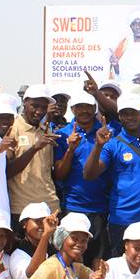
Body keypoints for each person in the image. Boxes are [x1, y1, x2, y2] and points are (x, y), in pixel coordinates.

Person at [82, 94, 140, 258]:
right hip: (122, 220)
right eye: (125, 113)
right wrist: (98, 146)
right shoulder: (113, 144)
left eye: (133, 113)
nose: (129, 117)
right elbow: (89, 174)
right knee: (121, 268)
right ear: (119, 116)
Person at [55, 91, 112, 265]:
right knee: (73, 260)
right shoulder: (63, 134)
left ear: (95, 108)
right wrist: (70, 149)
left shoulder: (106, 132)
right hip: (73, 207)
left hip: (100, 209)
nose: (84, 111)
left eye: (88, 107)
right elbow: (59, 174)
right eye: (79, 107)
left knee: (98, 263)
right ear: (72, 109)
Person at [6, 85, 60, 233]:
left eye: (43, 107)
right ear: (25, 102)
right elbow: (7, 170)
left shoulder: (47, 130)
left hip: (50, 205)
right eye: (35, 106)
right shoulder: (12, 127)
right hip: (22, 207)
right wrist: (35, 147)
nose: (39, 111)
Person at [9, 204, 59, 279]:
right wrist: (46, 235)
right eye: (38, 221)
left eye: (46, 221)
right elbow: (34, 274)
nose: (43, 225)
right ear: (25, 224)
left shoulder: (53, 251)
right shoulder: (18, 254)